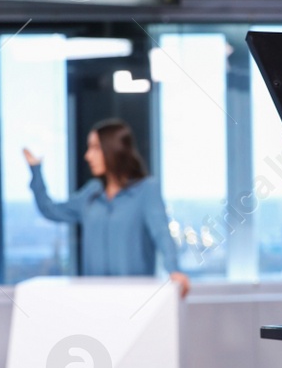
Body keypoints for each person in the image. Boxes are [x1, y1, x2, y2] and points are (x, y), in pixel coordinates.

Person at [23, 119, 189, 298]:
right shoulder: (91, 192)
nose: (88, 156)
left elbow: (162, 234)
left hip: (135, 297)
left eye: (95, 148)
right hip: (94, 297)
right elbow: (51, 210)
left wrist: (174, 270)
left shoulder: (146, 190)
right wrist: (36, 170)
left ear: (114, 148)